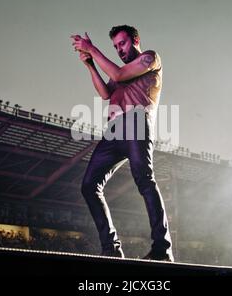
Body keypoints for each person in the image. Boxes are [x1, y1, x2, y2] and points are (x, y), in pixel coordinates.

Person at [71, 25, 173, 262]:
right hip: (114, 131)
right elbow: (106, 93)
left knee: (144, 181)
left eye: (123, 43)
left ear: (135, 39)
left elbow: (117, 75)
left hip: (137, 121)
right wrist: (90, 64)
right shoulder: (121, 70)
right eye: (116, 46)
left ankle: (162, 248)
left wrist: (92, 49)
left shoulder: (150, 58)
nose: (119, 49)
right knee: (89, 186)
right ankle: (111, 247)